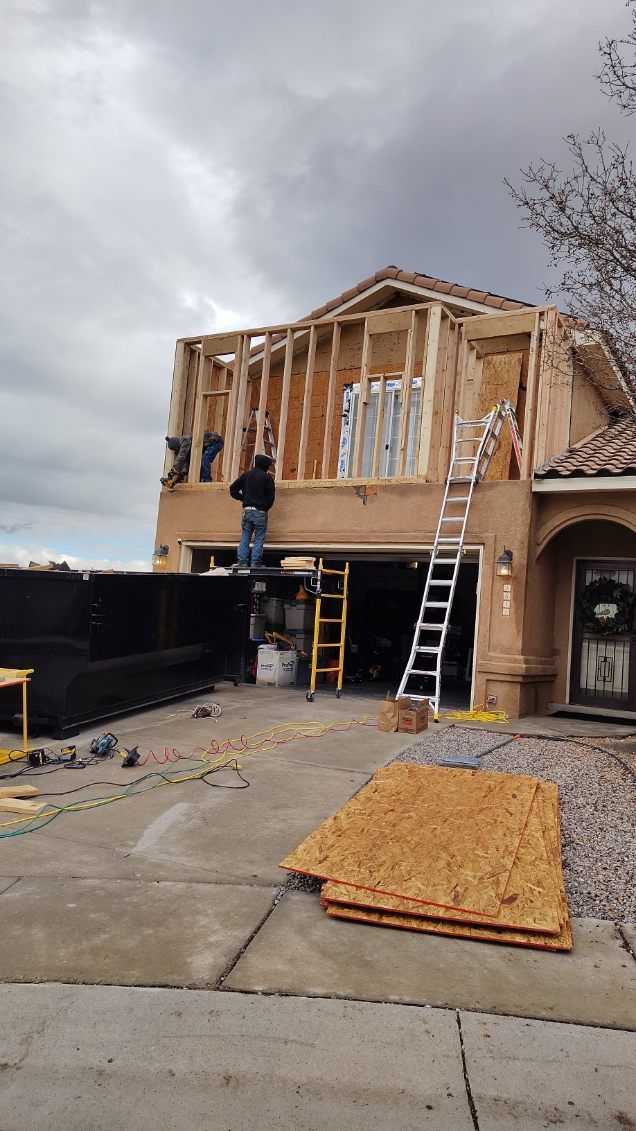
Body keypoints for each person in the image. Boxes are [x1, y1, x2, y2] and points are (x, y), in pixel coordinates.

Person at [230, 454, 275, 567]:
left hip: (247, 511)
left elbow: (233, 489)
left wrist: (243, 499)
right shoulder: (267, 477)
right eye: (268, 465)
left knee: (245, 537)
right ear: (265, 465)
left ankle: (242, 563)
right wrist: (266, 507)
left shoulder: (246, 475)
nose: (269, 468)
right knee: (259, 539)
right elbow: (271, 496)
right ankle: (255, 564)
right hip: (260, 512)